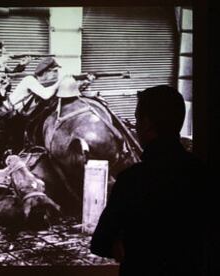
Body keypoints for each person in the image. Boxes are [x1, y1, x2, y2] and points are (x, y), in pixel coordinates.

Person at [90, 85, 210, 275]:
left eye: (137, 119)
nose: (136, 126)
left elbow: (100, 243)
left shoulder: (131, 180)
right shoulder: (204, 174)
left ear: (147, 124)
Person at [0, 57, 63, 172]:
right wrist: (61, 82)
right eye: (55, 71)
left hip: (17, 121)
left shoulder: (43, 86)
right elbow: (46, 94)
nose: (57, 74)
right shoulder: (30, 80)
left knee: (18, 155)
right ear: (46, 72)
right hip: (4, 117)